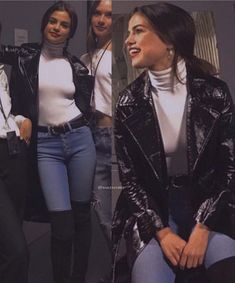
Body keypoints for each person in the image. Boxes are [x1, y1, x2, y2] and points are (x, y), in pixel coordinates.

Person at [112, 3, 235, 283]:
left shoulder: (215, 94)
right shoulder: (127, 103)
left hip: (207, 205)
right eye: (128, 32)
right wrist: (161, 231)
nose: (128, 40)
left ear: (169, 39)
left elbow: (229, 169)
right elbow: (130, 180)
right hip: (154, 209)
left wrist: (203, 228)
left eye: (138, 31)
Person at [0, 2, 96, 283]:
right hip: (46, 146)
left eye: (64, 24)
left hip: (79, 139)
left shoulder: (77, 66)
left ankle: (77, 277)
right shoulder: (25, 55)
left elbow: (84, 106)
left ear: (71, 32)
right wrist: (20, 116)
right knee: (61, 223)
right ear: (44, 23)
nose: (56, 27)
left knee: (81, 216)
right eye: (52, 21)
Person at [80, 1, 112, 282]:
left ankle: (128, 267)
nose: (101, 19)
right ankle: (122, 266)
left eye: (109, 14)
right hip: (89, 137)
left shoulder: (124, 53)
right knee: (100, 210)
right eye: (97, 13)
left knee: (110, 211)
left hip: (112, 140)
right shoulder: (87, 56)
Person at [0, 21, 32, 283]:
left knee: (11, 237)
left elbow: (6, 114)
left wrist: (22, 120)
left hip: (13, 154)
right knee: (17, 251)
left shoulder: (2, 71)